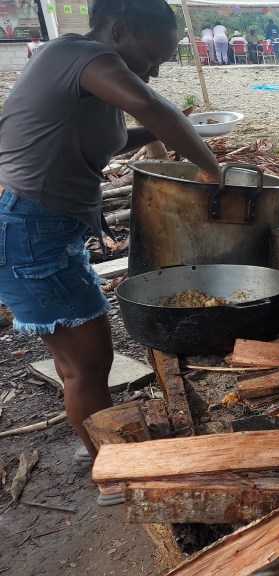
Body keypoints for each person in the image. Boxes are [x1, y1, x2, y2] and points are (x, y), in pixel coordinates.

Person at [0, 0, 219, 506]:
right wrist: (210, 167)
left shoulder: (84, 76)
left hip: (40, 229)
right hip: (30, 231)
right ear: (118, 31)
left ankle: (97, 446)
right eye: (153, 57)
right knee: (88, 365)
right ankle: (114, 478)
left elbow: (108, 136)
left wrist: (174, 132)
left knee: (76, 362)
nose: (154, 71)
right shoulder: (77, 55)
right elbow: (151, 104)